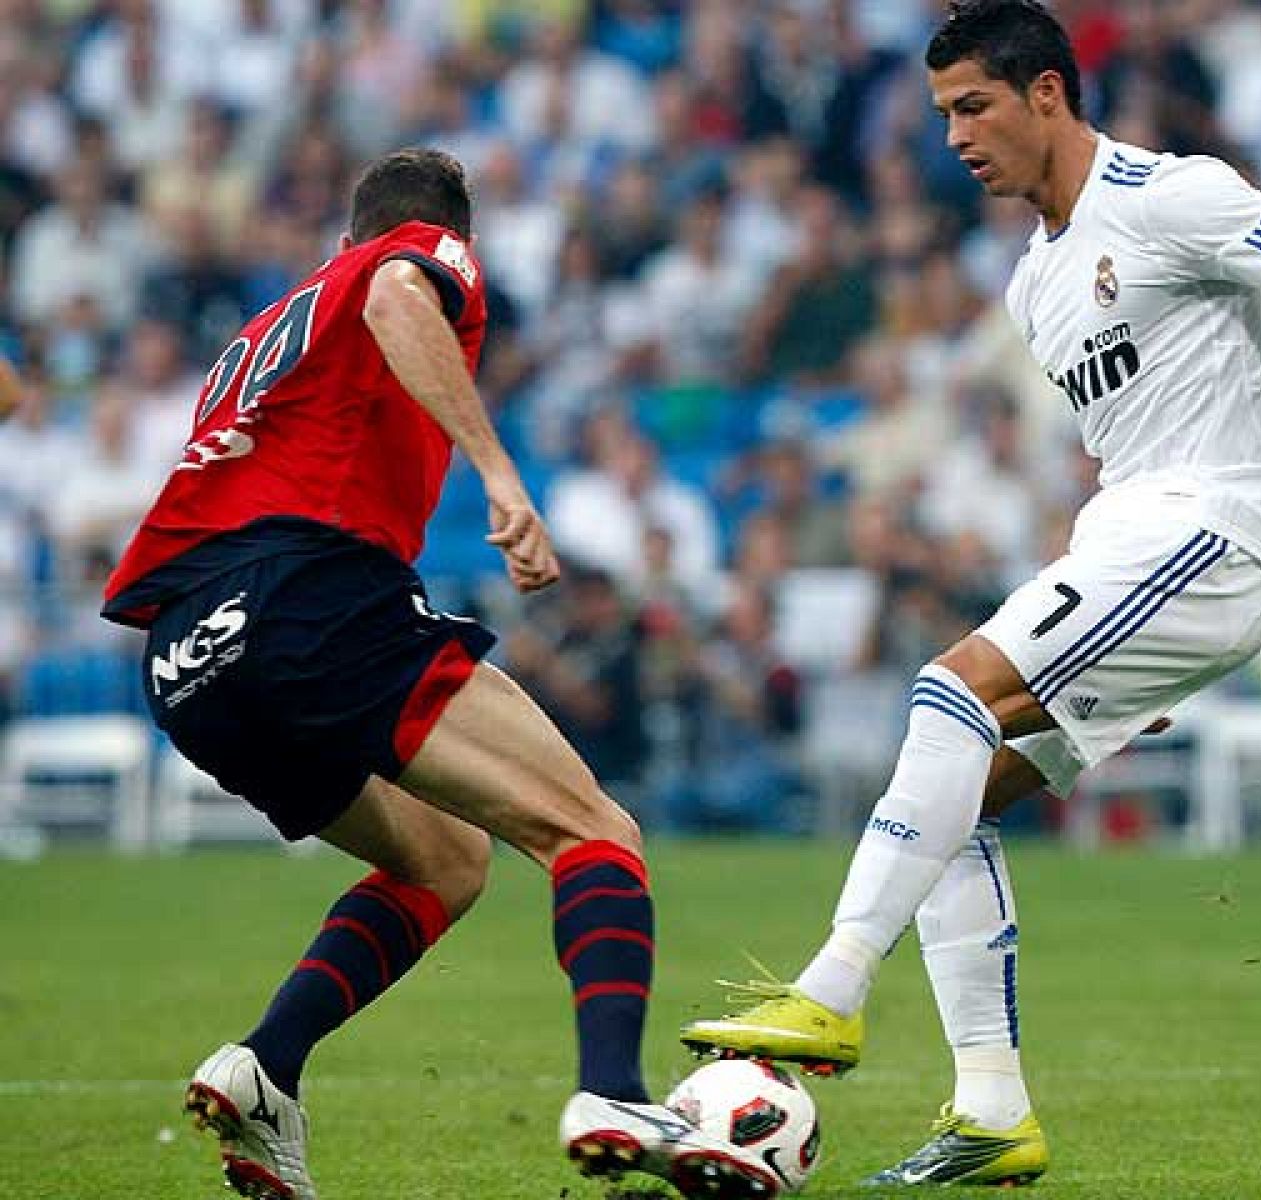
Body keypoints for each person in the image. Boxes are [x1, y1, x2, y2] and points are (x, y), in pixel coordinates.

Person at [680, 0, 1261, 1186]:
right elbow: (1127, 458)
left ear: (1048, 94)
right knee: (953, 802)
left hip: (1221, 527)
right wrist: (1110, 651)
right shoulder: (1032, 284)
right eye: (942, 114)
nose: (955, 137)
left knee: (949, 692)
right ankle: (992, 1114)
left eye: (974, 106)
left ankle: (831, 987)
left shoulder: (1171, 196)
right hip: (1142, 546)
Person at [101, 149, 780, 1200]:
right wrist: (500, 475)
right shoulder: (411, 256)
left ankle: (265, 1066)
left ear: (336, 234)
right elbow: (394, 289)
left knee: (448, 863)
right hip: (308, 598)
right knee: (593, 831)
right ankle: (611, 1088)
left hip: (189, 658)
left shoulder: (262, 334)